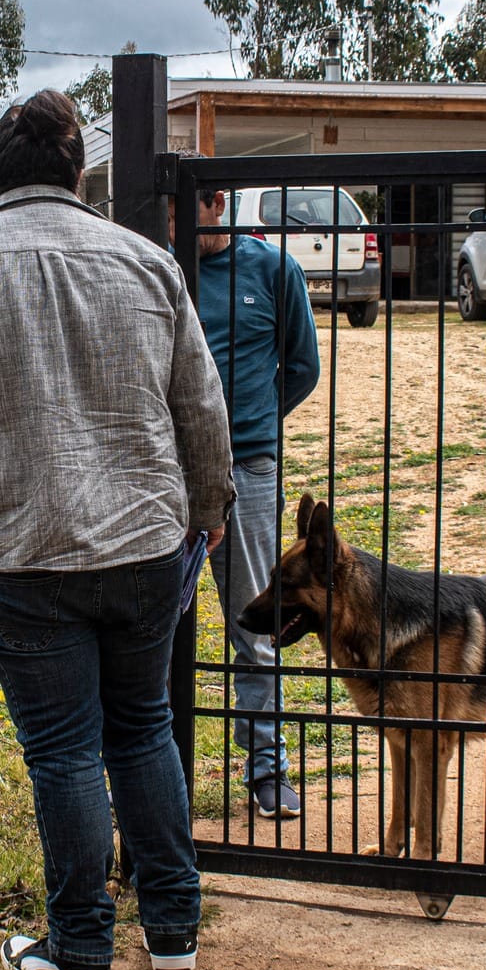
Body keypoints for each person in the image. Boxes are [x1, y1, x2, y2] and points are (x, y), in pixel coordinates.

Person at [0, 89, 234, 970]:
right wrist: (208, 506)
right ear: (78, 174)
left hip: (16, 552)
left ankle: (79, 955)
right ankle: (174, 929)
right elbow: (201, 401)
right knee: (142, 726)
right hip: (145, 546)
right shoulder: (148, 261)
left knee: (65, 748)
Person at [170, 183, 319, 819]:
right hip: (166, 470)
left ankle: (266, 768)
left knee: (254, 623)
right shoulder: (163, 268)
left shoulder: (273, 269)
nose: (174, 227)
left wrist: (253, 421)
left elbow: (302, 366)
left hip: (248, 471)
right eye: (166, 215)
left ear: (219, 203)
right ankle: (161, 772)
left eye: (184, 213)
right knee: (157, 627)